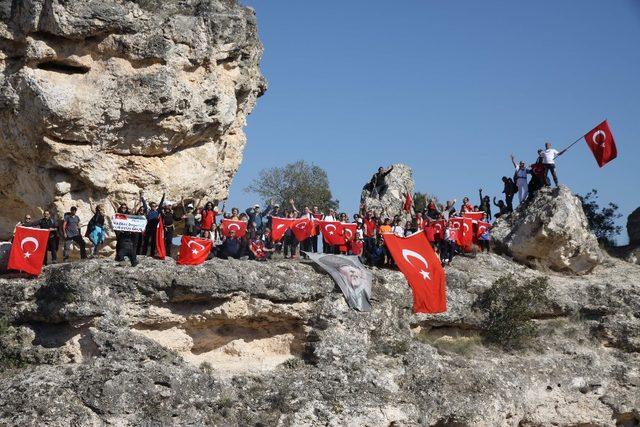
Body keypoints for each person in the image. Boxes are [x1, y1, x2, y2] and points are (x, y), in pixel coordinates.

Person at [140, 191, 165, 256]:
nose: (153, 207)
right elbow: (145, 206)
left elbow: (161, 204)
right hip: (148, 228)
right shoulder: (148, 211)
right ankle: (143, 254)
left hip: (155, 229)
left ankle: (152, 254)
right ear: (151, 206)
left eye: (155, 206)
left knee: (153, 241)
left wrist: (163, 196)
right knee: (146, 241)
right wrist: (142, 197)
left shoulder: (157, 212)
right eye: (152, 206)